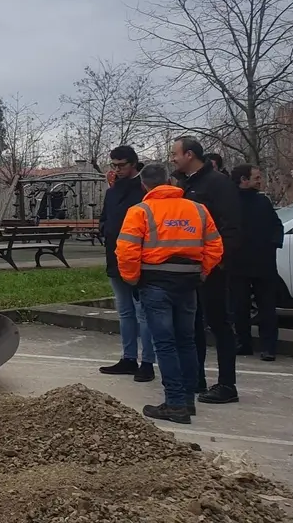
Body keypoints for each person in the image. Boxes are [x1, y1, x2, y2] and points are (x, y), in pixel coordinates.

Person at [115, 163, 223, 424]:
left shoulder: (140, 211)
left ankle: (174, 403)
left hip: (155, 283)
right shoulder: (197, 209)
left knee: (165, 343)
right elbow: (215, 246)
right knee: (186, 341)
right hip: (188, 283)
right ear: (169, 182)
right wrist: (202, 272)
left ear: (144, 185)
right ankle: (187, 400)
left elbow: (126, 251)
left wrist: (133, 280)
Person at [171, 136, 242, 404]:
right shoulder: (186, 185)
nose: (172, 158)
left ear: (189, 154)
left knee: (219, 324)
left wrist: (216, 263)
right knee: (193, 325)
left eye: (175, 153)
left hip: (211, 268)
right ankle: (195, 378)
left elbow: (231, 227)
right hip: (190, 268)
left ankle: (227, 385)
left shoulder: (217, 184)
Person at [97, 145, 154, 381]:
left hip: (138, 260)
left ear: (133, 164)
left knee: (143, 312)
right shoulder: (111, 192)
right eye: (114, 165)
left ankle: (148, 362)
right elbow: (105, 218)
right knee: (125, 311)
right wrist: (106, 232)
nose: (117, 170)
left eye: (122, 165)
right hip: (114, 257)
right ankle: (129, 358)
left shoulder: (143, 191)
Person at [230, 164, 281, 362]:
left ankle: (269, 347)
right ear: (244, 179)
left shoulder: (263, 201)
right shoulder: (230, 202)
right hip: (238, 262)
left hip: (263, 263)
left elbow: (276, 225)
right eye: (256, 177)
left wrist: (273, 244)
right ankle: (243, 343)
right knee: (239, 306)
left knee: (267, 306)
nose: (260, 180)